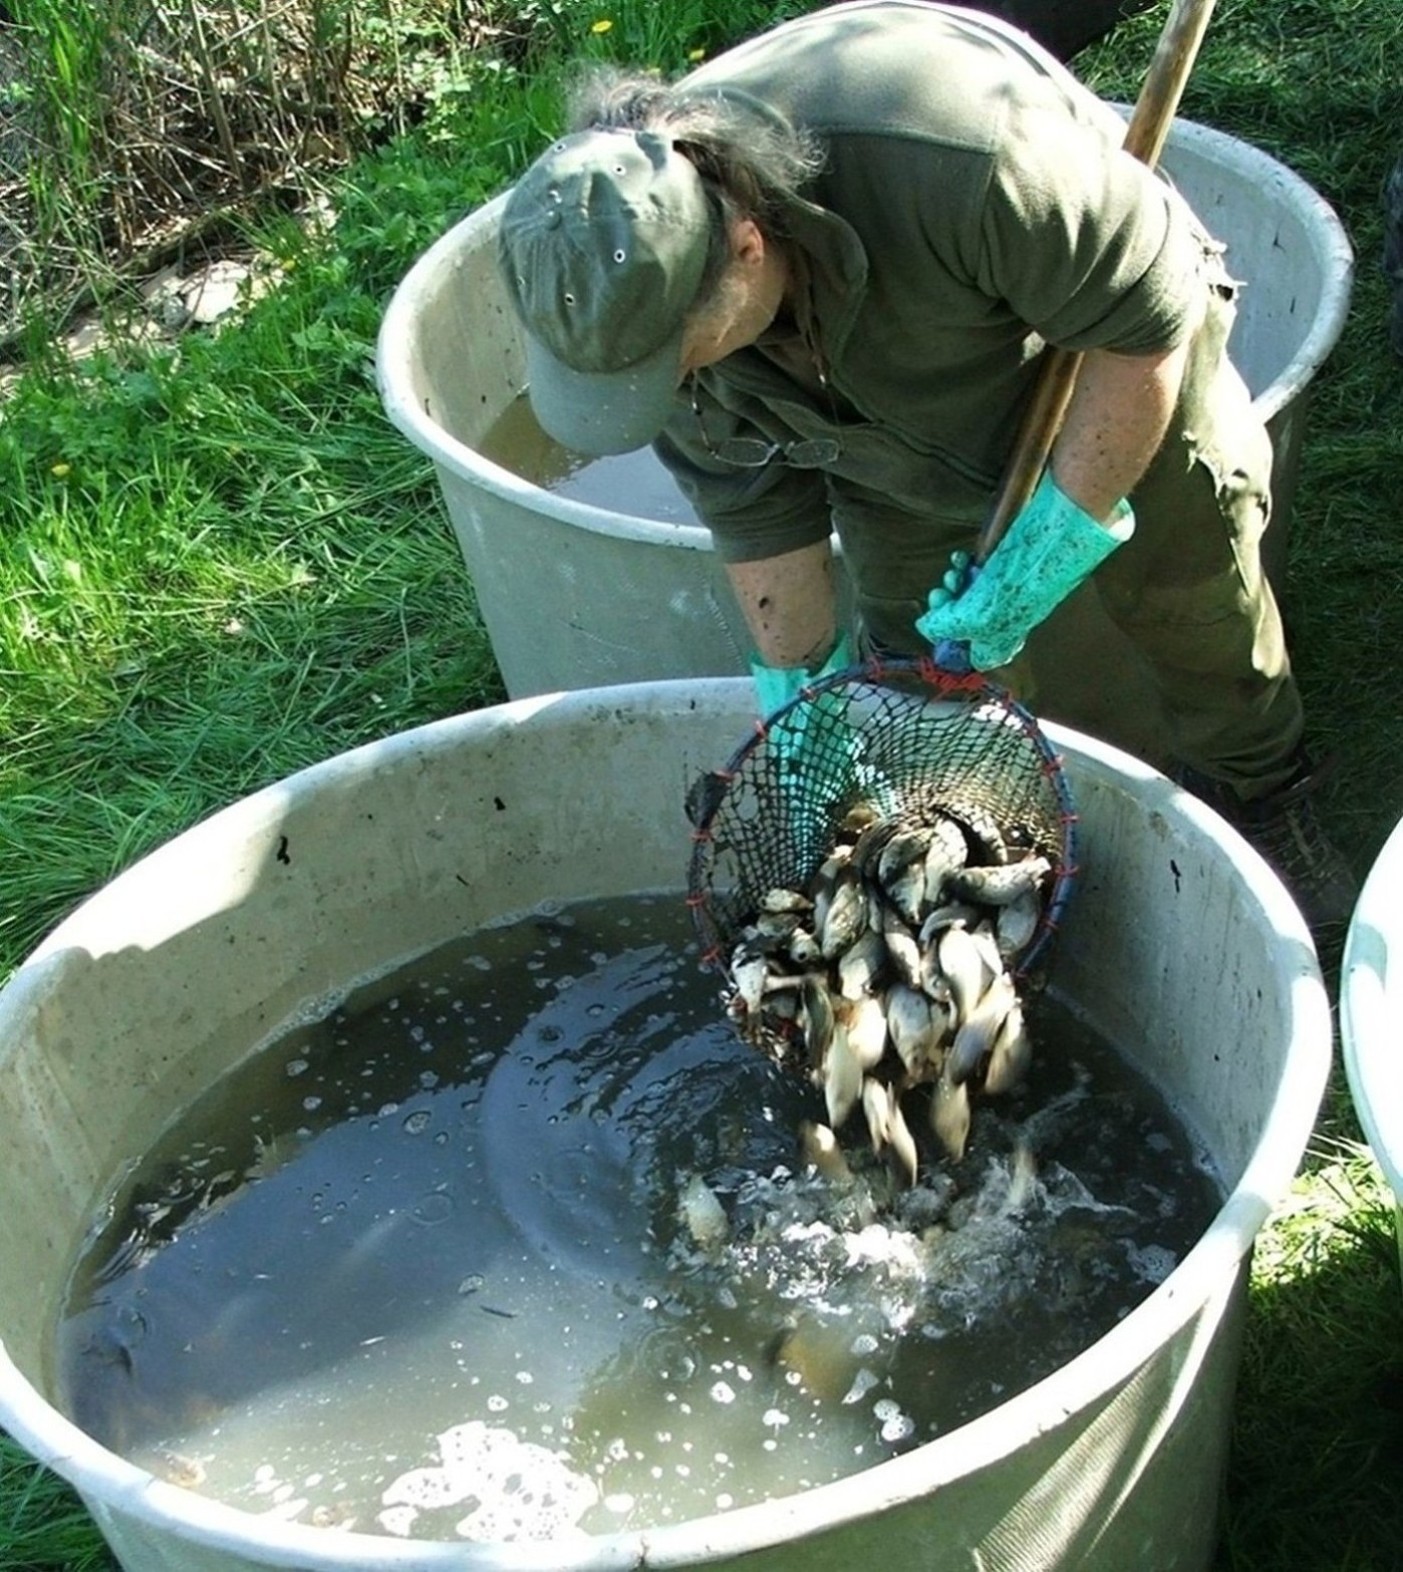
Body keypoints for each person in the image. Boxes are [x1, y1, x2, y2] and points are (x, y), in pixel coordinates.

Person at [496, 0, 1357, 931]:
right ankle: (977, 866)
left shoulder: (968, 159)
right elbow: (755, 510)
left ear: (745, 249)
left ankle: (1263, 787)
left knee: (1188, 599)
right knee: (915, 669)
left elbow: (1144, 327)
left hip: (1095, 342)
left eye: (676, 359)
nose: (666, 384)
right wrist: (801, 708)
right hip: (869, 430)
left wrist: (1055, 539)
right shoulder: (631, 307)